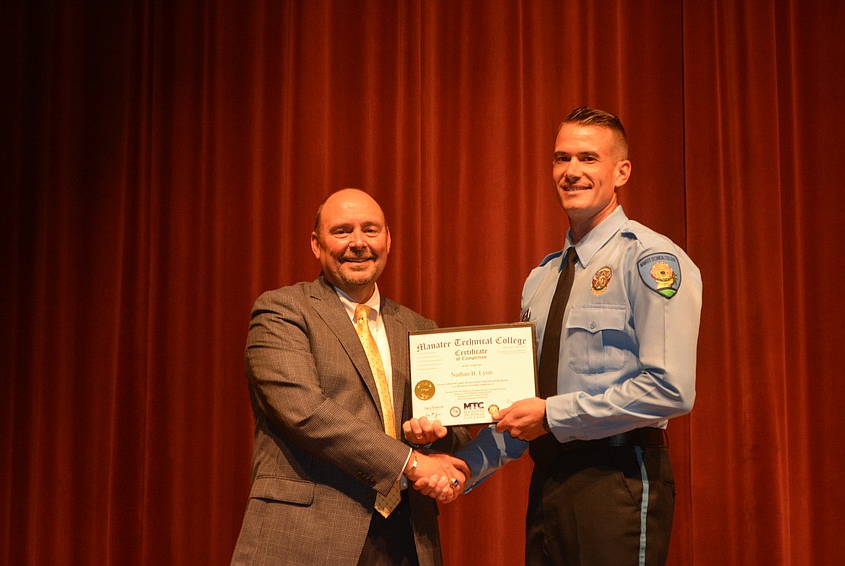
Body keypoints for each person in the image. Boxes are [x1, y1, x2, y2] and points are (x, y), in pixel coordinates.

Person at [414, 106, 703, 565]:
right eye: (561, 158)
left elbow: (670, 389)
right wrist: (463, 466)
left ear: (621, 171)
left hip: (618, 479)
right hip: (549, 480)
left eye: (588, 158)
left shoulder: (650, 260)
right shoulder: (541, 279)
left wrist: (552, 415)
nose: (571, 171)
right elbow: (523, 408)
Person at [231, 188, 470, 566]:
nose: (358, 243)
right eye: (342, 231)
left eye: (370, 230)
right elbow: (304, 412)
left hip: (405, 539)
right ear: (316, 243)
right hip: (306, 538)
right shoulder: (281, 311)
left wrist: (433, 437)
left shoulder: (419, 328)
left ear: (388, 239)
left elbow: (454, 431)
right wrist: (411, 461)